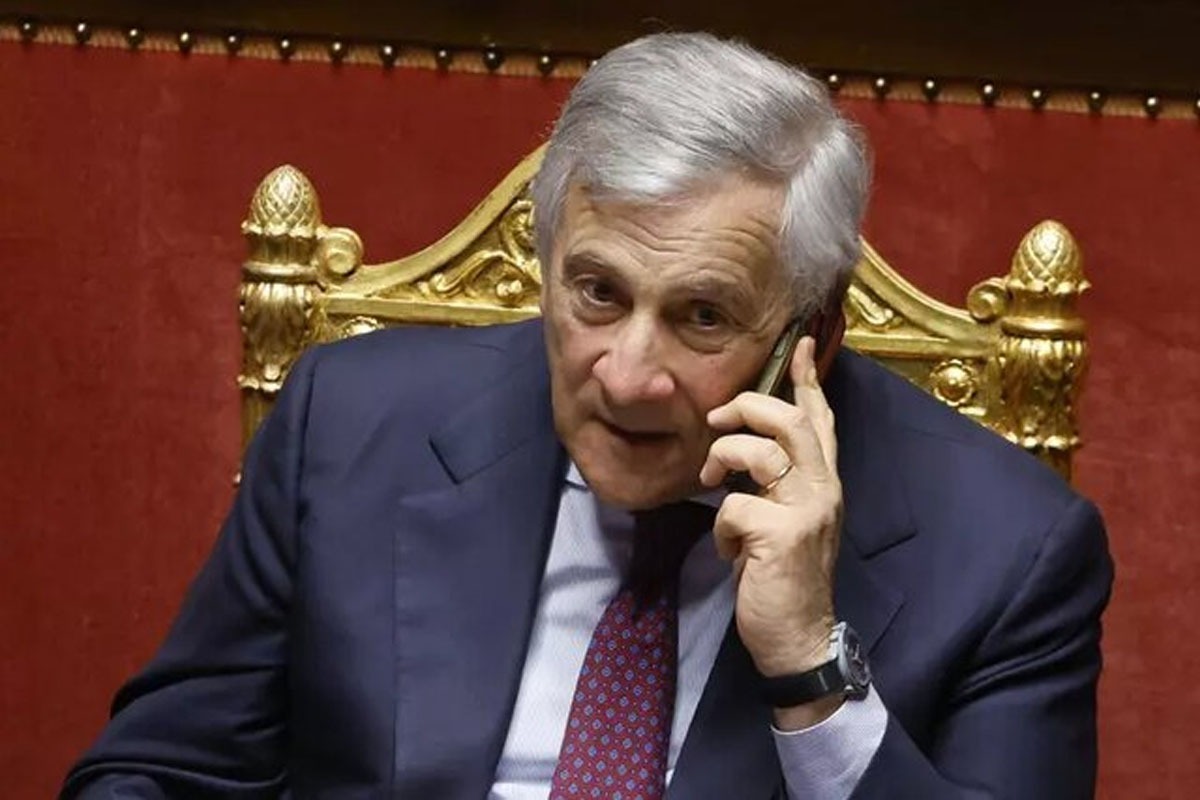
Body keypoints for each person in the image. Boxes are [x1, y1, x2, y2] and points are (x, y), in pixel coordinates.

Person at [62, 32, 1112, 799]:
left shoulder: (1011, 553)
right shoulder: (347, 427)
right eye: (598, 293)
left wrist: (809, 662)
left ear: (815, 337)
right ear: (546, 263)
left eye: (703, 316)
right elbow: (164, 771)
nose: (627, 375)